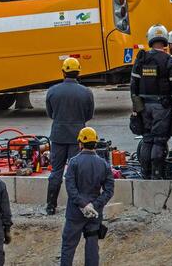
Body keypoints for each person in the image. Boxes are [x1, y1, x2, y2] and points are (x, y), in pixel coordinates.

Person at [130, 24, 172, 179]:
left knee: (147, 140)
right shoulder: (169, 60)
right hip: (162, 107)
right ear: (165, 40)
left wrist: (136, 107)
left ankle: (145, 174)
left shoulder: (141, 59)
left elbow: (133, 86)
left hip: (143, 107)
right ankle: (157, 175)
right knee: (159, 141)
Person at [44, 57, 94, 215]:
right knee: (76, 173)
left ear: (63, 72)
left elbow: (50, 113)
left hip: (58, 136)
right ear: (78, 72)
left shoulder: (52, 91)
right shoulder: (86, 92)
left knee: (56, 172)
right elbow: (88, 115)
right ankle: (77, 205)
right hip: (77, 137)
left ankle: (51, 206)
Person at [60, 127, 114, 266]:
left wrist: (83, 205)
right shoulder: (104, 164)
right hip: (94, 214)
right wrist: (94, 205)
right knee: (92, 247)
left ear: (80, 143)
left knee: (68, 247)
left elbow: (71, 188)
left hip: (75, 213)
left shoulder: (74, 162)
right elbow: (109, 191)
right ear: (95, 144)